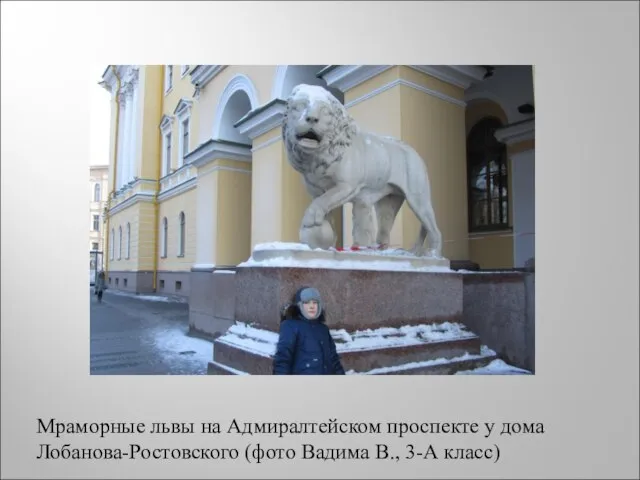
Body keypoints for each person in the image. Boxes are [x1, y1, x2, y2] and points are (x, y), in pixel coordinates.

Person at [273, 286, 345, 375]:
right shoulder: (290, 326)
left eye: (315, 302)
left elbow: (334, 359)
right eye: (307, 303)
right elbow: (283, 358)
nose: (312, 306)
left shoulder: (323, 329)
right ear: (299, 305)